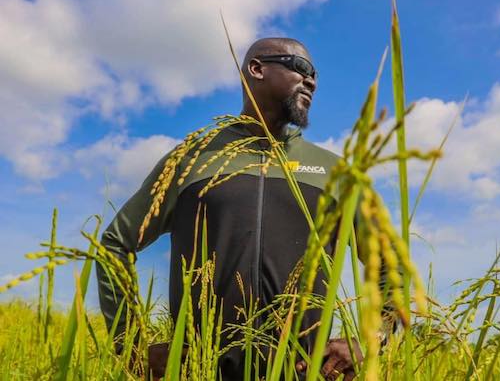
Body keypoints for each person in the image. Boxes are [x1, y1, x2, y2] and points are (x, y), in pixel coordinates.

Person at [97, 37, 364, 380]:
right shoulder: (193, 159)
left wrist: (372, 337)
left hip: (302, 371)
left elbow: (392, 266)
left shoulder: (335, 172)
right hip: (201, 371)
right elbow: (115, 244)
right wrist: (131, 346)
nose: (312, 80)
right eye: (301, 68)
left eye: (315, 75)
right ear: (257, 69)